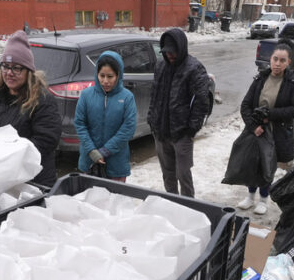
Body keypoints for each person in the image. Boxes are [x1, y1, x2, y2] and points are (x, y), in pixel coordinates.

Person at [0, 30, 62, 187]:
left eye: (16, 68)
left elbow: (46, 141)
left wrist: (8, 154)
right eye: (5, 66)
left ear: (28, 70)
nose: (9, 73)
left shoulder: (42, 100)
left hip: (33, 181)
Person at [237, 43, 294, 214]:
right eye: (275, 59)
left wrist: (270, 114)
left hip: (276, 132)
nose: (277, 63)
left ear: (288, 62)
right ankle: (250, 197)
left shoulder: (292, 82)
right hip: (255, 129)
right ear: (270, 59)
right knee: (252, 163)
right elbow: (245, 105)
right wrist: (253, 126)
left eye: (282, 60)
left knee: (267, 165)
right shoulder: (261, 78)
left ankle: (264, 199)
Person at [147, 28, 211, 198]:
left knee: (183, 174)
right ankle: (172, 202)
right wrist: (151, 120)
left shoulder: (194, 68)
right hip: (161, 131)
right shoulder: (161, 66)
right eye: (167, 52)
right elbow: (154, 95)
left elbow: (201, 101)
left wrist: (191, 129)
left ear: (181, 48)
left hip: (182, 134)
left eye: (173, 52)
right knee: (168, 174)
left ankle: (189, 204)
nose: (170, 55)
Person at [74, 51, 137, 182]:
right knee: (89, 200)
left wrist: (104, 151)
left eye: (110, 76)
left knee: (116, 200)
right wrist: (92, 151)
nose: (105, 81)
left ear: (118, 75)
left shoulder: (127, 97)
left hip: (116, 163)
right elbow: (80, 124)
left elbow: (128, 128)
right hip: (89, 161)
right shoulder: (86, 95)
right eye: (101, 76)